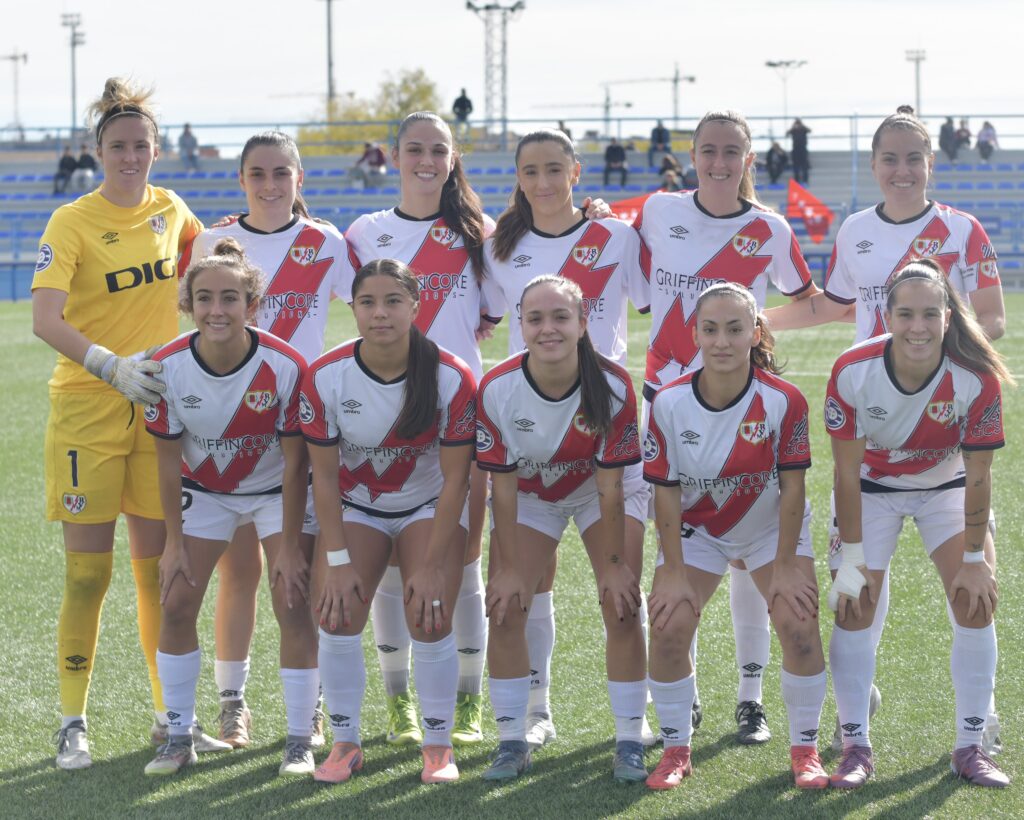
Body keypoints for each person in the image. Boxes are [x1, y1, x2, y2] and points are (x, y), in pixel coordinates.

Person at [765, 104, 1007, 753]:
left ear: (931, 164)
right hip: (869, 441)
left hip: (938, 446)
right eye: (890, 159)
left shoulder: (962, 230)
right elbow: (831, 305)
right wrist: (754, 321)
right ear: (874, 166)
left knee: (974, 594)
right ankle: (855, 728)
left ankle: (976, 733)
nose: (902, 170)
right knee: (854, 596)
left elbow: (992, 317)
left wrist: (931, 360)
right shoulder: (855, 232)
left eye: (913, 158)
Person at [31, 76, 225, 771]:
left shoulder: (173, 210)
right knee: (88, 575)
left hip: (158, 413)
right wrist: (110, 365)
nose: (132, 156)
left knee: (159, 574)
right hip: (87, 409)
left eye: (142, 145)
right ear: (98, 150)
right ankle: (71, 721)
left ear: (155, 149)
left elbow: (217, 256)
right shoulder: (71, 221)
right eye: (119, 146)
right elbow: (45, 319)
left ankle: (171, 720)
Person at [633, 108, 818, 746]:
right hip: (668, 405)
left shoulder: (769, 228)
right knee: (677, 556)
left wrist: (757, 329)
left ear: (748, 159)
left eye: (730, 150)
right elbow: (630, 275)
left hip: (744, 407)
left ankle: (750, 697)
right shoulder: (657, 211)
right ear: (691, 154)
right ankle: (679, 712)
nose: (718, 161)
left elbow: (809, 298)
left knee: (748, 559)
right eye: (707, 149)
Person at [178, 131, 356, 750]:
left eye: (282, 171)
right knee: (240, 574)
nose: (270, 183)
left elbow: (373, 303)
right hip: (228, 434)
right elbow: (199, 322)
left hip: (301, 432)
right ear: (243, 180)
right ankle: (233, 704)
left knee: (296, 578)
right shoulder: (213, 241)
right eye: (258, 172)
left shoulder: (327, 241)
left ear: (299, 178)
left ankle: (307, 711)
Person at [483, 128, 651, 751]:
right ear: (519, 178)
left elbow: (655, 298)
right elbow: (480, 317)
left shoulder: (617, 235)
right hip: (528, 432)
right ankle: (535, 706)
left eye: (556, 168)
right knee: (530, 583)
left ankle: (637, 720)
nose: (545, 182)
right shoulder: (497, 244)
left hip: (603, 427)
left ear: (577, 171)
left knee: (621, 588)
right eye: (531, 170)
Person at [824, 260, 1012, 789]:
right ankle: (855, 744)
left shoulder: (975, 378)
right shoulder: (853, 369)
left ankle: (971, 745)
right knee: (854, 602)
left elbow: (978, 476)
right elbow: (845, 472)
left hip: (947, 487)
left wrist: (974, 561)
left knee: (974, 601)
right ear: (886, 316)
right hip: (872, 489)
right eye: (905, 314)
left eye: (930, 314)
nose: (918, 327)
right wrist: (853, 559)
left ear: (948, 317)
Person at [344, 111, 493, 750]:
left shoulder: (479, 233)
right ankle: (399, 698)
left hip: (460, 411)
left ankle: (467, 700)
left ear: (452, 157)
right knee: (384, 565)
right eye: (414, 150)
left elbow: (488, 314)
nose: (426, 161)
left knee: (462, 559)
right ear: (394, 156)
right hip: (379, 415)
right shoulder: (364, 232)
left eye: (438, 150)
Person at [143, 239, 319, 777]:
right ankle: (177, 735)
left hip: (276, 493)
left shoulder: (285, 364)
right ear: (188, 304)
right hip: (208, 493)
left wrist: (289, 546)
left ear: (252, 304)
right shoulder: (165, 367)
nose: (216, 310)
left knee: (292, 598)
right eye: (203, 299)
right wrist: (173, 543)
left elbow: (295, 465)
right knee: (174, 601)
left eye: (229, 299)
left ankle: (298, 737)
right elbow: (168, 462)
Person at [643, 282, 827, 791]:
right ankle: (676, 749)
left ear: (755, 333)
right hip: (699, 532)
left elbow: (793, 490)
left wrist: (788, 565)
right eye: (710, 329)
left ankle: (805, 750)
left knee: (798, 622)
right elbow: (666, 494)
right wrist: (674, 571)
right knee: (668, 624)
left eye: (734, 328)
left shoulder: (784, 400)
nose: (721, 341)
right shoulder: (670, 403)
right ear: (695, 335)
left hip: (771, 531)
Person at [301, 258, 477, 784]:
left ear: (416, 307)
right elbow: (325, 481)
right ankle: (345, 744)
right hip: (358, 507)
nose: (381, 313)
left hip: (429, 506)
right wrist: (335, 561)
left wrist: (431, 564)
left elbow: (455, 481)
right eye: (368, 303)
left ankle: (439, 746)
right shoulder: (326, 375)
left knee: (430, 612)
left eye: (393, 301)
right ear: (351, 308)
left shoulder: (450, 375)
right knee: (334, 614)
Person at [477, 275, 646, 782]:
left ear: (583, 323)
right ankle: (512, 740)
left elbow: (612, 487)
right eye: (535, 319)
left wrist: (616, 567)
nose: (548, 329)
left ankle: (629, 740)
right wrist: (506, 568)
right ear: (520, 325)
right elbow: (502, 489)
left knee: (621, 606)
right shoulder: (498, 388)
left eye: (560, 317)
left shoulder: (613, 384)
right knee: (505, 607)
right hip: (531, 493)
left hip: (601, 490)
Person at [787, 118, 811, 184]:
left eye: (799, 123)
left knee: (804, 165)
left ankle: (805, 180)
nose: (798, 124)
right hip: (795, 149)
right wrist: (793, 127)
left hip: (803, 148)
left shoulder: (804, 129)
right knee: (796, 166)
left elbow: (810, 130)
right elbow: (787, 133)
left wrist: (802, 126)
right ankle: (797, 180)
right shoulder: (793, 129)